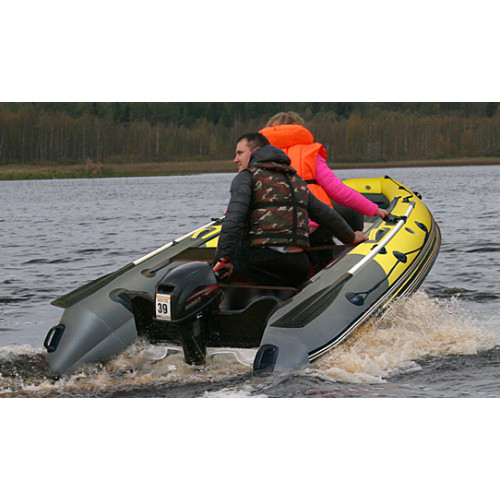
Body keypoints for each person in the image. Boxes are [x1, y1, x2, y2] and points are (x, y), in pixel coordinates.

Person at [213, 133, 367, 288]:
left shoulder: (247, 177)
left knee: (234, 245)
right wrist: (351, 237)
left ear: (255, 152)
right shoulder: (296, 179)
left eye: (240, 153)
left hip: (264, 261)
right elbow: (325, 214)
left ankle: (233, 287)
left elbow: (234, 219)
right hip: (299, 266)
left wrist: (222, 259)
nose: (236, 159)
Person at [259, 112, 389, 250]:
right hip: (308, 227)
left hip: (268, 227)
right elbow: (339, 191)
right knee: (337, 220)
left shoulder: (257, 156)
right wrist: (374, 209)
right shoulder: (310, 154)